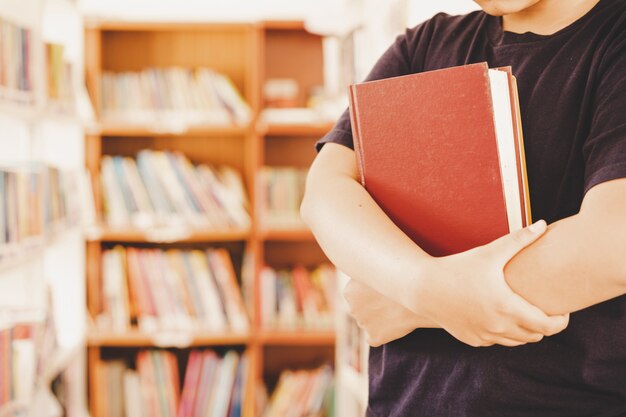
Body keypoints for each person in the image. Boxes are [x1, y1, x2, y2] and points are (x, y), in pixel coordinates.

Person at [300, 0, 626, 415]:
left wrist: (411, 304)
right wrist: (420, 284)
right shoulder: (423, 46)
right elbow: (325, 192)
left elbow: (612, 245)